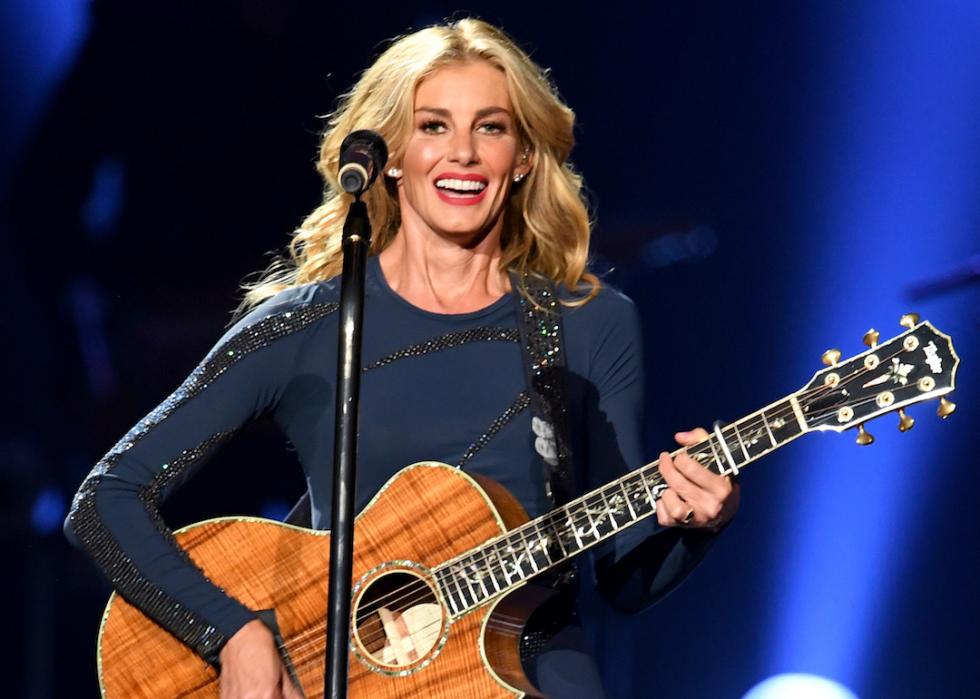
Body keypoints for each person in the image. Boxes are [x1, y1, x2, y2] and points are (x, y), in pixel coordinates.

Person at [65, 18, 739, 699]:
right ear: (389, 153)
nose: (465, 154)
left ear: (526, 156)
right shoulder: (311, 324)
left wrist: (693, 525)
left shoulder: (590, 320)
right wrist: (230, 631)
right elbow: (105, 500)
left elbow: (622, 578)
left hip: (531, 673)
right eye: (434, 126)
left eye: (492, 127)